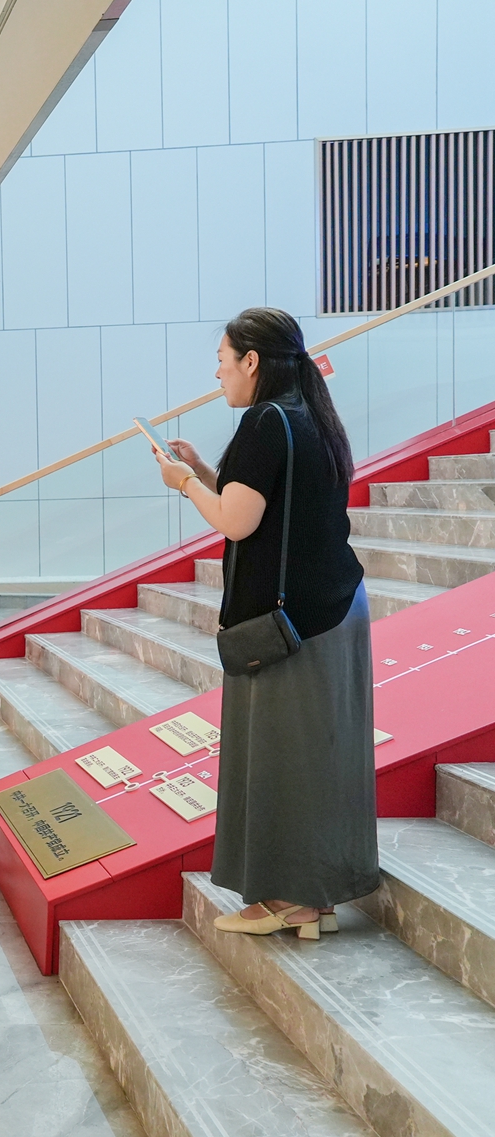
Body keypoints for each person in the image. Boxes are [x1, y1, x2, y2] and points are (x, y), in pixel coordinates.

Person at [154, 307, 375, 940]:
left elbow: (236, 521)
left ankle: (292, 901)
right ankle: (313, 898)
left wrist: (182, 484)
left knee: (285, 759)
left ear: (252, 362)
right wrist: (203, 472)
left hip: (295, 623)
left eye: (223, 361)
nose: (218, 374)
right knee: (315, 756)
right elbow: (261, 505)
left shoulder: (264, 420)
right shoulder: (306, 416)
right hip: (330, 608)